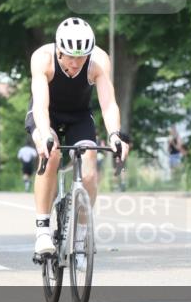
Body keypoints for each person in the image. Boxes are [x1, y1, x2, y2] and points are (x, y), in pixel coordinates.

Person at [26, 17, 130, 256]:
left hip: (79, 115)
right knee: (51, 155)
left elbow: (108, 104)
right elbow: (40, 106)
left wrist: (114, 135)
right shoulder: (42, 58)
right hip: (46, 114)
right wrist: (45, 134)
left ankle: (81, 237)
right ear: (59, 51)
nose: (75, 63)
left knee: (90, 170)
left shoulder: (98, 61)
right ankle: (42, 231)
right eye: (70, 57)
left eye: (81, 57)